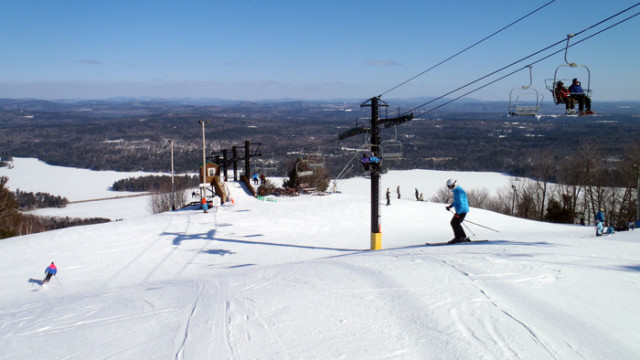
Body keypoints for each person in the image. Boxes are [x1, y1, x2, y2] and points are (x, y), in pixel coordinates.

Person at [445, 179, 470, 244]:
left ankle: (460, 238)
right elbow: (456, 201)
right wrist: (450, 206)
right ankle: (461, 237)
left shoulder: (459, 192)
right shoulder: (456, 191)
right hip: (461, 211)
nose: (450, 188)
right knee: (455, 223)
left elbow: (462, 204)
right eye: (449, 186)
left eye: (451, 186)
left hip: (462, 210)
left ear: (455, 184)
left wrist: (458, 213)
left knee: (454, 223)